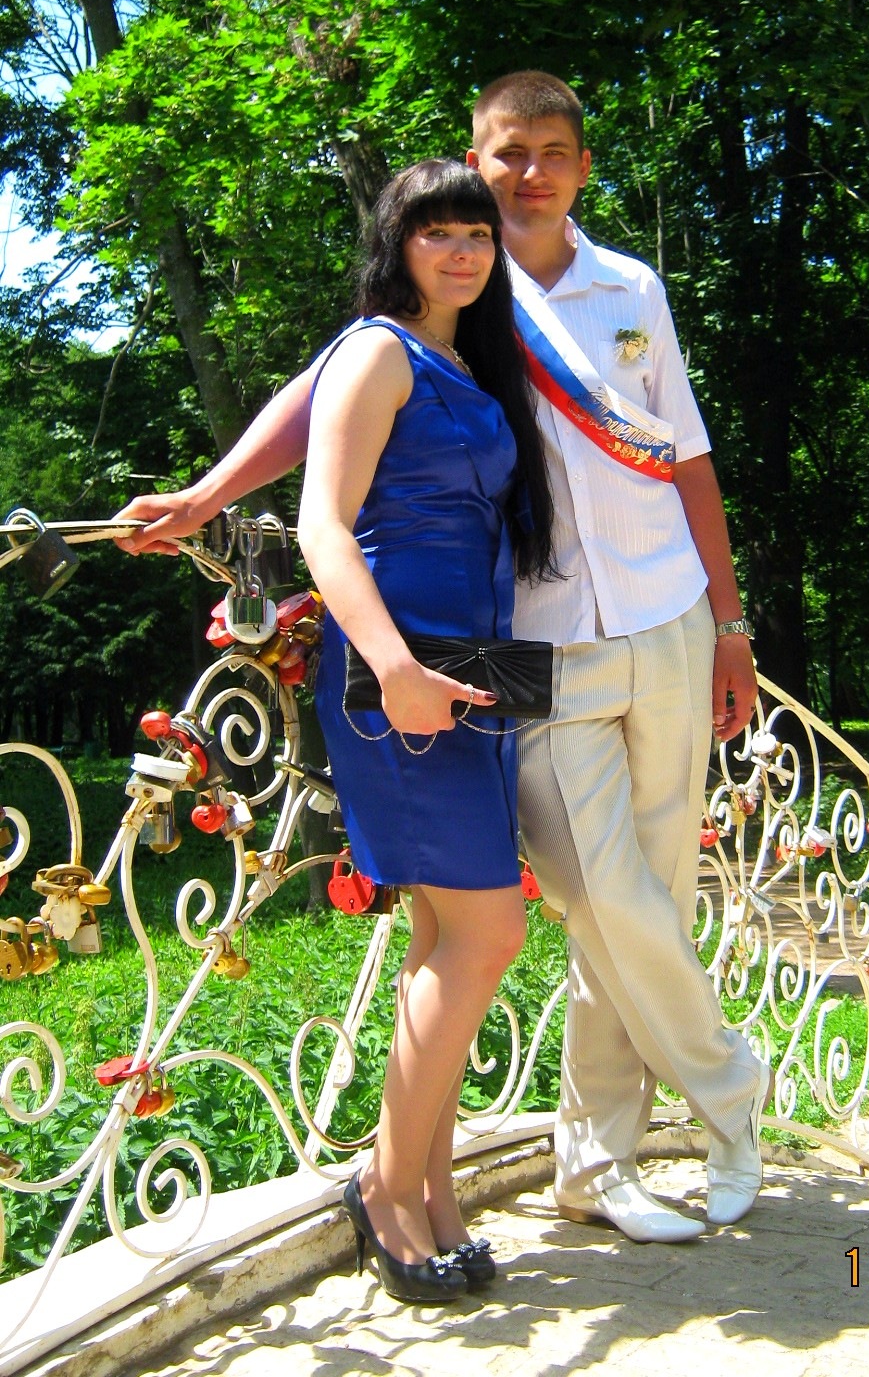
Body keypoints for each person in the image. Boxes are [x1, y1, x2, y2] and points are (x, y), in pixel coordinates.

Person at [118, 72, 770, 1244]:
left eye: (555, 152)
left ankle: (595, 1161)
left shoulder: (631, 289)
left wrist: (730, 623)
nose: (531, 173)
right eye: (509, 151)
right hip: (534, 641)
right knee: (595, 893)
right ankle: (730, 1085)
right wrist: (208, 494)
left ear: (584, 166)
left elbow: (688, 457)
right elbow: (325, 394)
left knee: (652, 896)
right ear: (475, 160)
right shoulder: (456, 279)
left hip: (664, 612)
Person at [295, 157, 556, 1302]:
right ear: (397, 243)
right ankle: (386, 1189)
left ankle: (433, 1189)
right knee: (489, 931)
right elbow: (322, 523)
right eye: (436, 231)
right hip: (397, 675)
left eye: (478, 234)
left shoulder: (465, 363)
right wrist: (395, 664)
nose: (461, 250)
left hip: (472, 675)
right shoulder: (375, 352)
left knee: (447, 935)